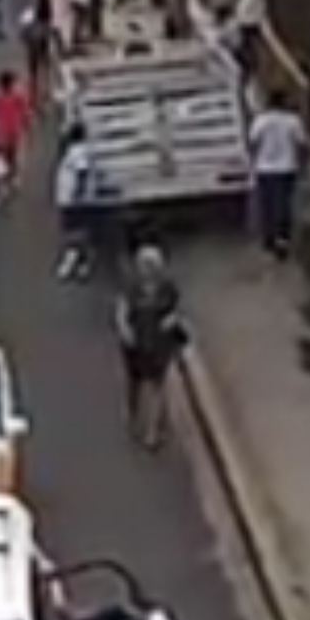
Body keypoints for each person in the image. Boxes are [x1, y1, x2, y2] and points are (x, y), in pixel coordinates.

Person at [115, 244, 189, 450]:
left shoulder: (168, 288)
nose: (148, 269)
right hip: (136, 344)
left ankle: (154, 432)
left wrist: (170, 321)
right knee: (135, 384)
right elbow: (122, 309)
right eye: (145, 265)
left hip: (158, 344)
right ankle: (135, 414)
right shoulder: (132, 286)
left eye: (152, 265)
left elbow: (177, 310)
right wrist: (125, 330)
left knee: (158, 385)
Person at [247, 84, 309, 260]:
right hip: (287, 168)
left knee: (267, 205)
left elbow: (253, 143)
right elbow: (302, 145)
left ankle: (268, 237)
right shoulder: (293, 121)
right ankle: (283, 238)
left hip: (265, 168)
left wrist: (252, 162)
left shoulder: (261, 121)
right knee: (284, 204)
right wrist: (303, 166)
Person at [52, 121, 106, 281]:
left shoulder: (77, 152)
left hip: (75, 201)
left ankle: (78, 264)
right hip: (73, 200)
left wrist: (78, 194)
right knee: (79, 234)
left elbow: (82, 172)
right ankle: (81, 265)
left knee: (76, 234)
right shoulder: (78, 152)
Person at [0, 69, 35, 204]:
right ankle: (8, 183)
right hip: (10, 135)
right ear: (10, 84)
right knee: (9, 161)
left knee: (1, 163)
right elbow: (26, 116)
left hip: (0, 136)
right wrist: (27, 129)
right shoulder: (17, 98)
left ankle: (1, 188)